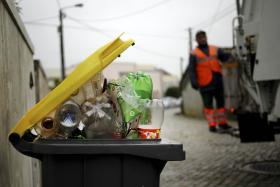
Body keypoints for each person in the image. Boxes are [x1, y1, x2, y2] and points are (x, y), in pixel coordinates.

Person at [188, 30, 232, 132]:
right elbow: (191, 70)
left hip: (217, 81)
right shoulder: (194, 54)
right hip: (204, 83)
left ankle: (223, 123)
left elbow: (225, 57)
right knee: (208, 106)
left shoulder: (215, 49)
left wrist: (230, 56)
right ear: (196, 40)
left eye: (203, 37)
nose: (202, 39)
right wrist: (194, 82)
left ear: (206, 37)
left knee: (221, 104)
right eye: (200, 38)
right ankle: (212, 125)